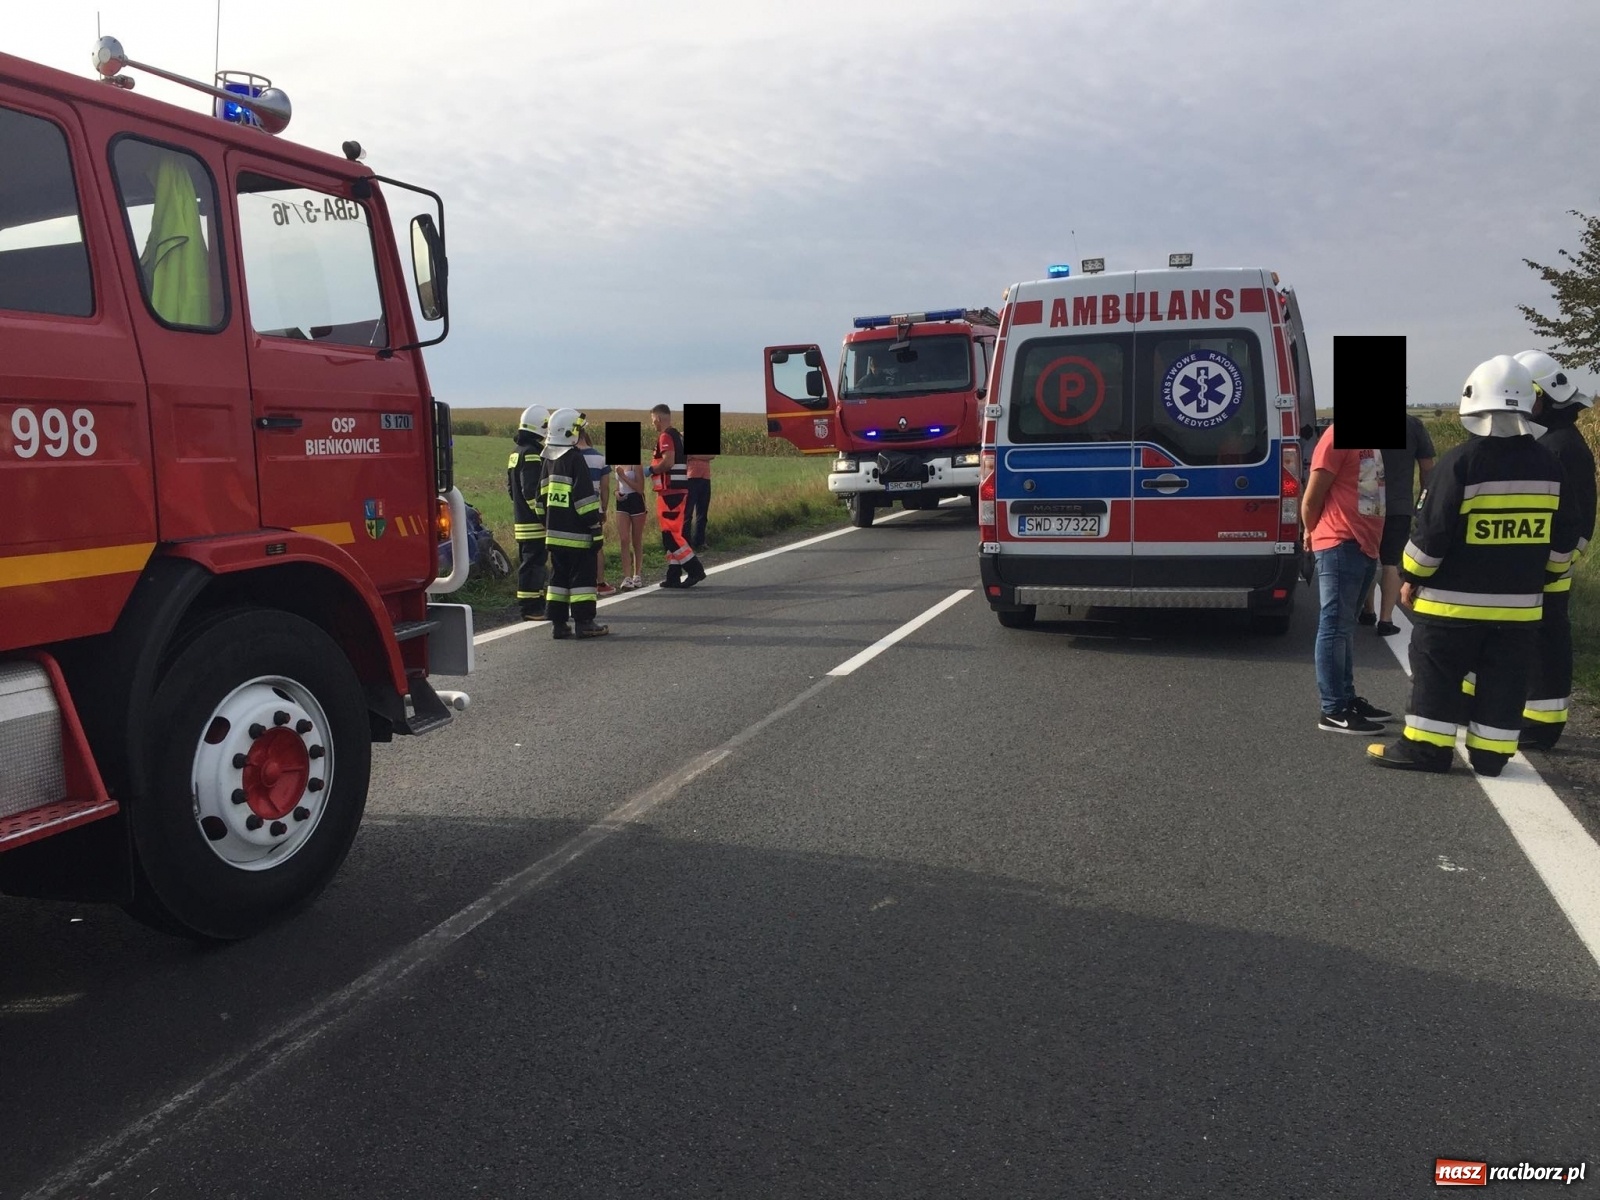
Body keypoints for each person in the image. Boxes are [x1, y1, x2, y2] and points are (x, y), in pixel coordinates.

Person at [1368, 355, 1576, 776]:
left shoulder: (1461, 462)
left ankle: (1425, 749)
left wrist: (1411, 576)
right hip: (1518, 612)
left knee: (1437, 675)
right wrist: (1545, 578)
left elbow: (1432, 534)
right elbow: (1562, 540)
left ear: (1473, 402)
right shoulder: (1550, 465)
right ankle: (1491, 756)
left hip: (1451, 609)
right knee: (1504, 682)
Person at [1515, 349, 1596, 750]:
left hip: (1548, 569)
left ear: (1541, 395)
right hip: (1541, 565)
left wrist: (1552, 565)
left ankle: (1541, 725)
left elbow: (1576, 523)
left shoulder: (1560, 448)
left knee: (1546, 644)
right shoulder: (1554, 440)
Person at [1302, 422, 1392, 734]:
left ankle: (1346, 698)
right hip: (1341, 541)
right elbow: (1312, 496)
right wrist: (1310, 531)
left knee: (1344, 628)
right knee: (1334, 627)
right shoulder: (1335, 437)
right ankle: (1333, 709)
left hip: (1364, 544)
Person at [1359, 414, 1436, 636]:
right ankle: (1386, 620)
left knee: (1368, 556)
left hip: (1366, 502)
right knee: (1391, 561)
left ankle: (1368, 610)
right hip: (1399, 504)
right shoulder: (1413, 425)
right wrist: (1422, 501)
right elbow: (1427, 468)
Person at [536, 408, 609, 639]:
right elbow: (584, 500)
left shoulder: (548, 461)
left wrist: (549, 524)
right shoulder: (575, 459)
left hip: (554, 536)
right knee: (582, 581)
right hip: (578, 536)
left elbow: (539, 502)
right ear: (570, 432)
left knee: (558, 579)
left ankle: (558, 625)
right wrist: (595, 528)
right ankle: (585, 623)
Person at [648, 404, 706, 588]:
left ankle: (695, 570)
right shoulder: (678, 436)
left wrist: (650, 470)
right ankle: (673, 575)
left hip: (671, 492)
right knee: (673, 534)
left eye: (653, 420)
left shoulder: (666, 436)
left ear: (658, 418)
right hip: (676, 490)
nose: (653, 424)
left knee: (671, 537)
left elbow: (668, 462)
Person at [506, 404, 549, 620]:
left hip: (522, 520)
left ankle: (536, 602)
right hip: (534, 523)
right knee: (533, 564)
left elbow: (511, 490)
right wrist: (543, 516)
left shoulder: (516, 452)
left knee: (531, 563)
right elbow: (531, 491)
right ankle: (531, 608)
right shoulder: (532, 453)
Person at [576, 424, 614, 596]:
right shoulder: (600, 458)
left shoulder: (570, 456)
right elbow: (605, 488)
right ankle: (600, 583)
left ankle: (578, 582)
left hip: (574, 508)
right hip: (594, 508)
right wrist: (604, 509)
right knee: (597, 546)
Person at [613, 456, 648, 590]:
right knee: (624, 539)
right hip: (622, 502)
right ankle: (626, 577)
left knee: (636, 539)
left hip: (636, 501)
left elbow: (640, 488)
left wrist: (623, 476)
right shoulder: (617, 464)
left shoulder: (636, 464)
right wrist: (616, 493)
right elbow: (617, 485)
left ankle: (637, 574)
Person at [684, 448, 715, 552]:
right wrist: (703, 456)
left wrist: (694, 455)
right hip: (690, 476)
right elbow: (685, 456)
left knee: (702, 512)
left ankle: (700, 541)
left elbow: (712, 456)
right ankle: (686, 543)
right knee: (687, 513)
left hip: (705, 477)